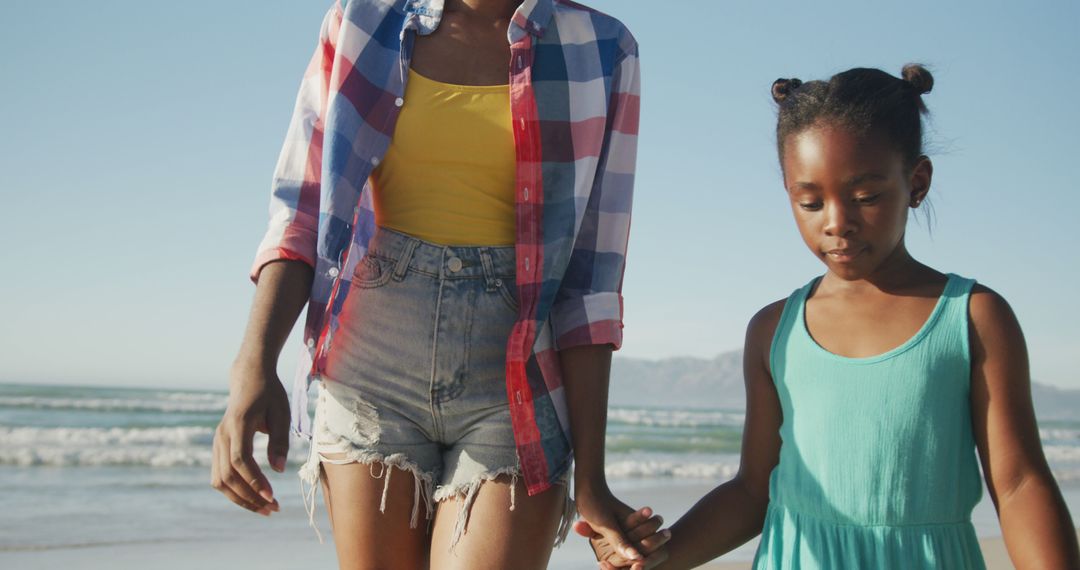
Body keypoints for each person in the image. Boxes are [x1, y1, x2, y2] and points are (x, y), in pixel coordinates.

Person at [209, 0, 670, 568]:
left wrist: (593, 480)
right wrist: (253, 364)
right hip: (371, 361)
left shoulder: (601, 48)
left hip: (519, 372)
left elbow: (590, 278)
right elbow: (303, 210)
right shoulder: (362, 21)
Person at [578, 64, 1080, 569]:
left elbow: (1018, 485)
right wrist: (654, 557)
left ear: (918, 182)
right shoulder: (774, 330)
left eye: (866, 197)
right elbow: (754, 490)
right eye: (811, 202)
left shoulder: (971, 319)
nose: (837, 222)